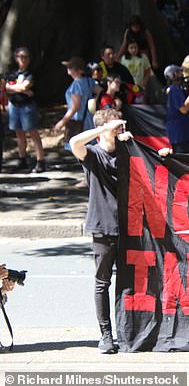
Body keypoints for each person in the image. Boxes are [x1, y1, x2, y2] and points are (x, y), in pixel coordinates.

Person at [69, 108, 132, 354]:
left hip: (130, 228)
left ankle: (129, 331)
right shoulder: (93, 154)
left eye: (121, 128)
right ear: (103, 131)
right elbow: (74, 142)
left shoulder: (127, 151)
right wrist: (104, 128)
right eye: (116, 128)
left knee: (130, 283)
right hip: (103, 229)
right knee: (102, 283)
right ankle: (106, 334)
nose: (120, 132)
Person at [5, 47, 46, 173]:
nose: (24, 59)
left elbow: (24, 86)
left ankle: (40, 161)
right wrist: (18, 88)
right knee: (19, 134)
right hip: (14, 105)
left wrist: (15, 87)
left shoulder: (31, 73)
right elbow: (5, 87)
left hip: (27, 106)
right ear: (16, 58)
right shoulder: (12, 74)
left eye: (26, 57)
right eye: (21, 56)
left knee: (32, 132)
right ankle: (22, 159)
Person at [55, 57, 95, 150]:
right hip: (89, 118)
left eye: (71, 67)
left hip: (77, 121)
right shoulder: (89, 81)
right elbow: (99, 91)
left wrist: (62, 121)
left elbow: (75, 107)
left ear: (78, 70)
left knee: (78, 147)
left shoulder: (76, 85)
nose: (68, 69)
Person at [163, 64, 189, 154]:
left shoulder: (176, 89)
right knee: (183, 158)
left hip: (183, 132)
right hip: (180, 133)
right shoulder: (174, 90)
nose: (182, 74)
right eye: (179, 72)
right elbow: (184, 109)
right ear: (173, 75)